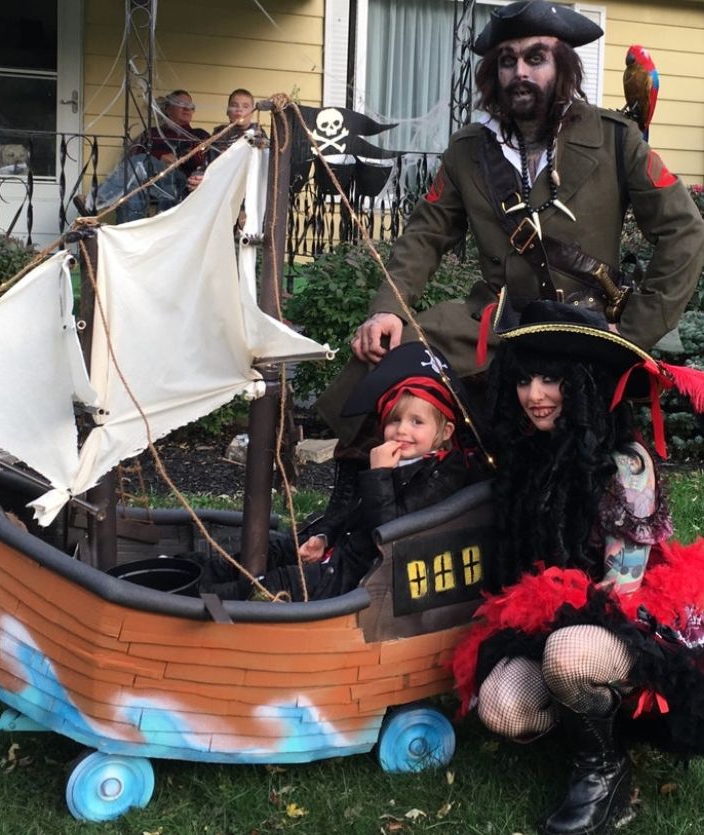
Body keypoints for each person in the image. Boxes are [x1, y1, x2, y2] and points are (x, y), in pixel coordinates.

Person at [314, 0, 704, 456]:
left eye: (535, 58)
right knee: (387, 356)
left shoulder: (617, 140)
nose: (520, 71)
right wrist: (388, 309)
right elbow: (426, 234)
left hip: (584, 324)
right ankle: (367, 493)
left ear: (562, 66)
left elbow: (684, 230)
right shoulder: (467, 151)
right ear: (493, 73)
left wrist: (633, 331)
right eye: (507, 60)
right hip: (496, 323)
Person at [450, 300, 704, 835]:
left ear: (583, 382)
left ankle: (604, 766)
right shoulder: (528, 453)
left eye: (551, 380)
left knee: (568, 655)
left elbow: (622, 595)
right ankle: (586, 720)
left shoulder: (625, 464)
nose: (534, 396)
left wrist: (558, 651)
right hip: (548, 626)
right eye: (524, 381)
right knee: (502, 710)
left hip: (624, 624)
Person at [200, 342, 482, 601]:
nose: (402, 430)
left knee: (270, 586)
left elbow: (391, 532)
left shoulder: (443, 473)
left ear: (444, 432)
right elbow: (347, 511)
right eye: (394, 420)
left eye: (417, 422)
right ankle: (191, 577)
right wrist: (324, 536)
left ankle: (201, 604)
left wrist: (379, 475)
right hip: (337, 552)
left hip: (360, 575)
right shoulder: (388, 457)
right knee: (260, 555)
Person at [78, 90, 209, 220]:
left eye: (190, 106)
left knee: (141, 164)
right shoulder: (152, 133)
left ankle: (93, 203)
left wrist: (181, 158)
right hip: (151, 184)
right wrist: (160, 157)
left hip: (180, 184)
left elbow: (204, 161)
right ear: (168, 109)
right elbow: (132, 158)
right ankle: (130, 237)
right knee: (131, 190)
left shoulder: (198, 135)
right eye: (181, 103)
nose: (187, 108)